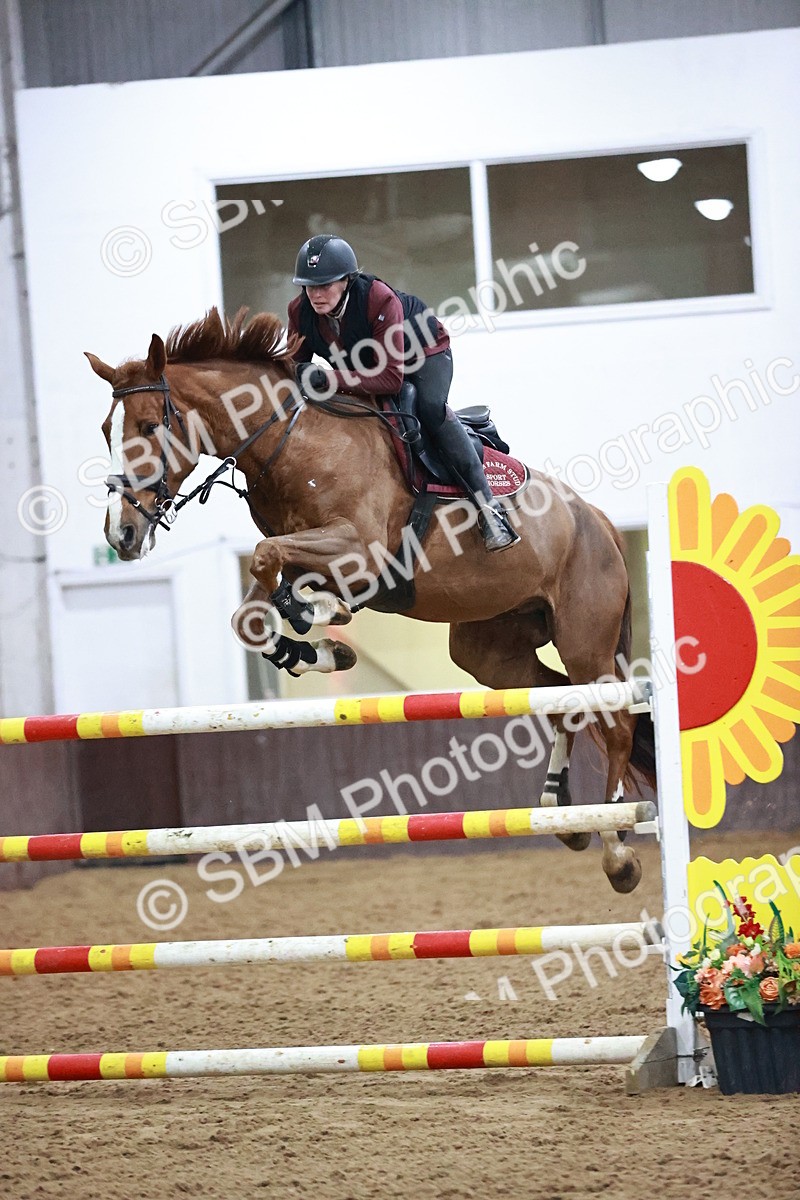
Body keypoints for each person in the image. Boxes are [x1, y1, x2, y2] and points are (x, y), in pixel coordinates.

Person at [287, 233, 519, 552]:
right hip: (367, 367)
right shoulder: (299, 312)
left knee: (429, 408)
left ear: (347, 281)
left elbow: (390, 381)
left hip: (423, 353)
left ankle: (490, 510)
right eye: (309, 286)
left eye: (325, 285)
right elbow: (291, 372)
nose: (315, 294)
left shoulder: (378, 299)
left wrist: (327, 378)